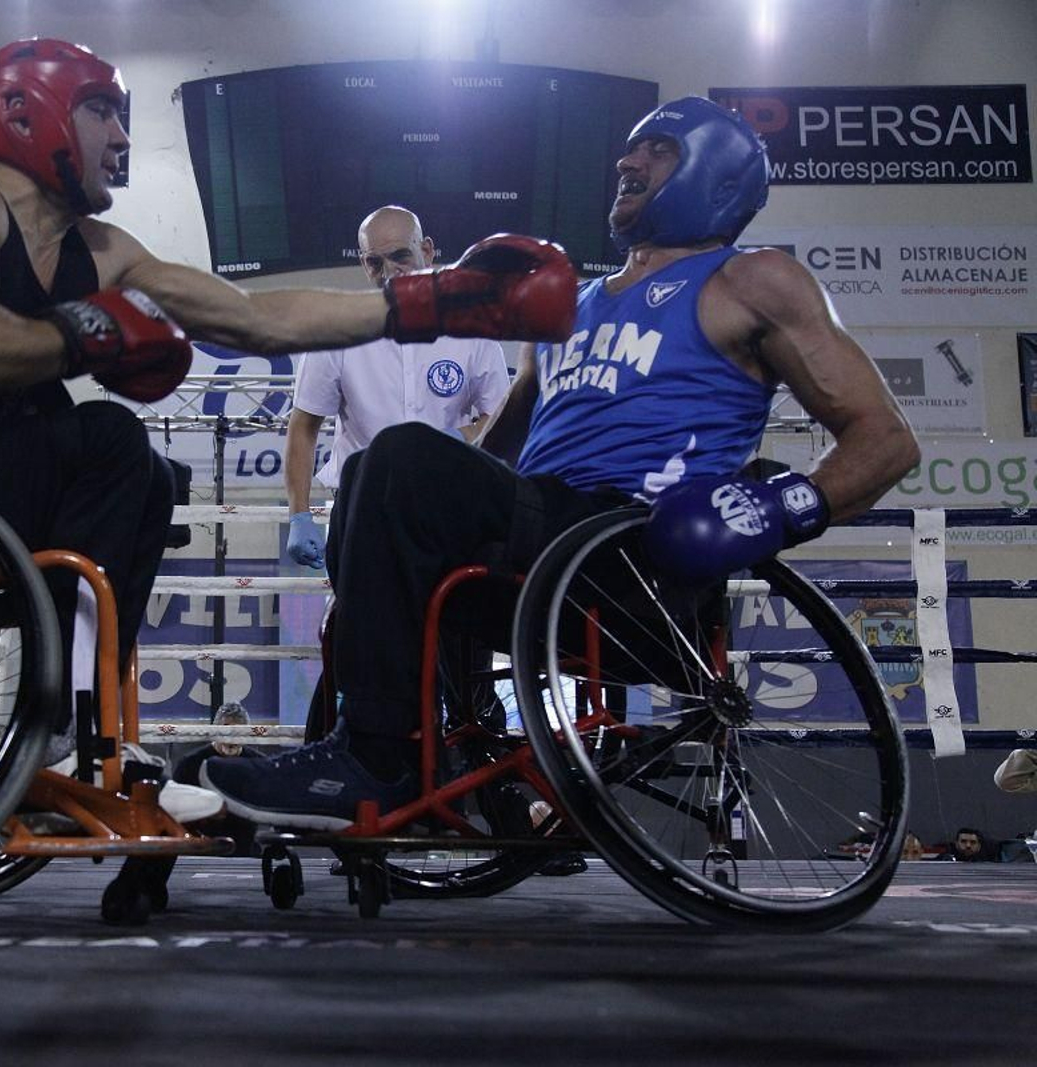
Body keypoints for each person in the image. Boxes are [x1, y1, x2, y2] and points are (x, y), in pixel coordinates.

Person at [0, 39, 575, 801]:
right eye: (102, 111)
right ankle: (59, 724)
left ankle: (73, 720)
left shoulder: (102, 249)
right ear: (23, 111)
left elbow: (258, 319)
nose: (121, 134)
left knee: (147, 472)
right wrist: (86, 332)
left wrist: (430, 303)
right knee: (109, 442)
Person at [203, 95, 920, 829]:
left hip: (632, 553)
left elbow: (886, 439)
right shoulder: (567, 307)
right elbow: (491, 455)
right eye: (630, 148)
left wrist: (776, 507)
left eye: (659, 149)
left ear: (719, 172)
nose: (627, 161)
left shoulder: (751, 280)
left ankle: (378, 759)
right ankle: (402, 755)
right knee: (372, 474)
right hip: (540, 548)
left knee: (396, 458)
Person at [283, 207, 510, 568]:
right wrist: (299, 515)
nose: (389, 272)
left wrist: (460, 437)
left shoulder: (472, 327)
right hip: (361, 506)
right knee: (362, 623)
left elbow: (502, 417)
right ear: (363, 263)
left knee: (449, 618)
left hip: (449, 502)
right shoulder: (336, 331)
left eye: (401, 256)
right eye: (375, 262)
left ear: (428, 250)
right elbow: (303, 426)